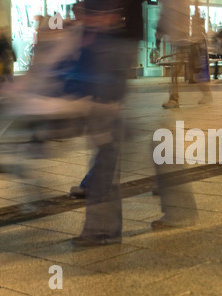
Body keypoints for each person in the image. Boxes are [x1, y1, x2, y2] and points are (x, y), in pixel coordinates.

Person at [68, 0, 141, 246]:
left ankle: (103, 231)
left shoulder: (111, 39)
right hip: (111, 38)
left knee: (105, 158)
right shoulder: (100, 38)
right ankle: (104, 229)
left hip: (106, 98)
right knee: (104, 159)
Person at [156, 0, 212, 109]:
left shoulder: (177, 3)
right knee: (184, 69)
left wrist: (159, 35)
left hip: (187, 40)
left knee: (191, 69)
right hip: (183, 40)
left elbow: (166, 18)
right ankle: (175, 98)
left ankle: (175, 99)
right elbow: (164, 18)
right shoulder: (173, 4)